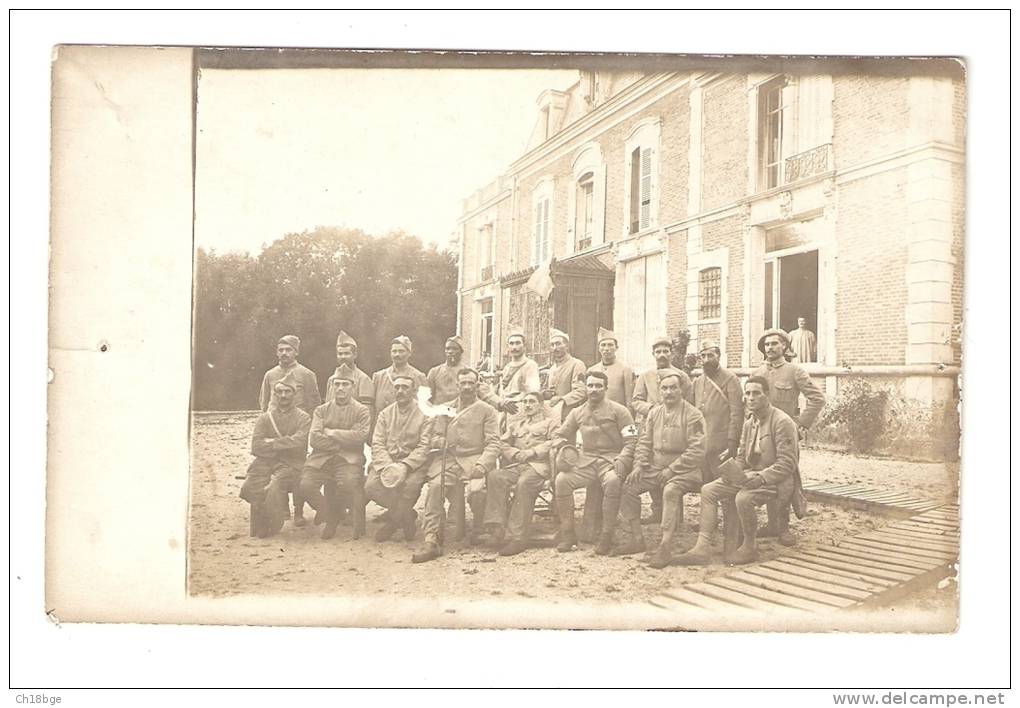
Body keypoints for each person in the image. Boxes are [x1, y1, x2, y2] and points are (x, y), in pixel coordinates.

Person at [675, 376, 799, 566]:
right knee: (708, 490)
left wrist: (760, 477)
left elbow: (787, 464)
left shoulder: (782, 422)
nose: (751, 398)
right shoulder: (750, 422)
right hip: (749, 476)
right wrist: (733, 471)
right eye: (747, 393)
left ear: (767, 395)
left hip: (777, 480)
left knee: (743, 498)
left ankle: (750, 546)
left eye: (756, 393)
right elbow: (742, 456)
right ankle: (701, 547)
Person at [412, 368, 501, 563]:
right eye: (464, 383)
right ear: (457, 386)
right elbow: (434, 436)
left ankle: (480, 530)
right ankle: (432, 539)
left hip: (475, 457)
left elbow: (494, 443)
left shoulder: (487, 410)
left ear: (477, 386)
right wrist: (440, 440)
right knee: (435, 488)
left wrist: (482, 465)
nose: (467, 387)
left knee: (478, 491)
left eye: (471, 383)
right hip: (450, 458)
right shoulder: (446, 408)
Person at [618, 372, 705, 565]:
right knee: (628, 487)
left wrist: (673, 469)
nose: (669, 392)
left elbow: (697, 450)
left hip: (685, 470)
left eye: (673, 387)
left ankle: (665, 546)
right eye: (664, 388)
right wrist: (639, 465)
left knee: (670, 490)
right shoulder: (654, 413)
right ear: (659, 391)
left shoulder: (693, 414)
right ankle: (637, 539)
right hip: (656, 467)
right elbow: (644, 442)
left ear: (681, 390)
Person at [753, 328, 825, 546]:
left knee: (786, 477)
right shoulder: (759, 372)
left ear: (784, 346)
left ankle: (783, 527)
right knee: (765, 473)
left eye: (775, 344)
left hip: (785, 433)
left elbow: (817, 398)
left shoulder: (795, 371)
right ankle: (771, 523)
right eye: (767, 345)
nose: (770, 348)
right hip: (761, 432)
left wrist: (801, 423)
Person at [552, 370, 636, 555]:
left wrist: (622, 460)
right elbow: (558, 434)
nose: (594, 389)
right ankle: (568, 533)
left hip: (611, 460)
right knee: (561, 480)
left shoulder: (620, 411)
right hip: (586, 461)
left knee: (613, 481)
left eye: (598, 386)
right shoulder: (577, 412)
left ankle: (606, 535)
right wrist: (563, 446)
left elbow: (631, 441)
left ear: (606, 388)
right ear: (585, 388)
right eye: (590, 385)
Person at [482, 390, 559, 555]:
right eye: (525, 402)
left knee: (524, 483)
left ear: (540, 405)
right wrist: (514, 453)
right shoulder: (516, 425)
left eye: (532, 402)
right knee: (495, 476)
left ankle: (518, 537)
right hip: (517, 465)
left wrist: (533, 452)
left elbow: (556, 441)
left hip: (539, 467)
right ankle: (497, 528)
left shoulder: (550, 423)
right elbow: (500, 443)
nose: (528, 405)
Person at [257, 334, 321, 527]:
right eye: (281, 350)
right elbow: (264, 402)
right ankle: (282, 507)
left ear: (296, 352)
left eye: (288, 350)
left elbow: (315, 403)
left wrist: (305, 428)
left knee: (296, 468)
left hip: (297, 429)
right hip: (274, 428)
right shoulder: (270, 374)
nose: (284, 353)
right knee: (276, 466)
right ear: (277, 352)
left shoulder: (306, 374)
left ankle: (299, 511)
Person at [299, 375, 372, 540]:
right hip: (321, 458)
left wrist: (331, 432)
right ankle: (329, 514)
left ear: (352, 387)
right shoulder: (321, 410)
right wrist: (343, 441)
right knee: (305, 485)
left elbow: (361, 436)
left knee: (348, 483)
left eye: (345, 384)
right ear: (331, 387)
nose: (340, 388)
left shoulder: (361, 410)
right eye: (336, 384)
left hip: (349, 459)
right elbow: (314, 438)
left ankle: (332, 518)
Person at [364, 374, 434, 542]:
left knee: (410, 486)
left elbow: (425, 446)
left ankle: (393, 523)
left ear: (414, 391)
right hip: (387, 462)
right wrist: (389, 467)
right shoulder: (385, 414)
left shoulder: (425, 414)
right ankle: (406, 515)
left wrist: (405, 466)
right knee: (371, 486)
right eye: (397, 387)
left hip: (414, 464)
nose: (400, 391)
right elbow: (378, 443)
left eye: (405, 387)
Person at [239, 375, 311, 538]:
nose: (283, 395)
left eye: (287, 392)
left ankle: (271, 525)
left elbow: (299, 443)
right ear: (274, 394)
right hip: (265, 462)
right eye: (279, 392)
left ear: (295, 394)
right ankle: (260, 523)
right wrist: (285, 443)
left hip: (291, 464)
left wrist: (271, 443)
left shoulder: (303, 417)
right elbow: (256, 446)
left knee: (274, 486)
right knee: (250, 486)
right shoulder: (265, 418)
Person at [630, 335, 685, 525]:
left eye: (666, 351)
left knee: (673, 468)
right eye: (658, 352)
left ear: (671, 353)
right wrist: (652, 409)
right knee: (653, 464)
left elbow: (689, 400)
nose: (662, 355)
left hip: (676, 428)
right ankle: (657, 510)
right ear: (653, 354)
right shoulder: (646, 376)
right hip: (652, 427)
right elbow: (635, 401)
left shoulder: (681, 375)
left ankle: (676, 515)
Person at [693, 341, 744, 484]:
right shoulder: (697, 382)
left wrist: (732, 442)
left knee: (726, 489)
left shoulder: (730, 379)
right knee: (706, 489)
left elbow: (737, 413)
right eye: (703, 356)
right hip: (702, 445)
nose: (706, 360)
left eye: (710, 355)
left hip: (722, 445)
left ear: (719, 356)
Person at [480, 328, 541, 417]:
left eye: (518, 343)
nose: (514, 347)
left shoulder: (530, 365)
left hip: (520, 408)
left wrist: (517, 399)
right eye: (511, 343)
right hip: (505, 408)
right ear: (508, 347)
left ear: (524, 346)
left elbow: (533, 390)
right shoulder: (507, 367)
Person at [372, 335, 428, 417]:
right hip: (382, 424)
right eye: (394, 351)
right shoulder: (379, 377)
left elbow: (424, 406)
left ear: (409, 353)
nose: (397, 355)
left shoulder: (419, 377)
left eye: (401, 351)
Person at [542, 329, 587, 422]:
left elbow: (581, 391)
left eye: (558, 344)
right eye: (552, 345)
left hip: (570, 415)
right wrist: (545, 393)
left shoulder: (577, 364)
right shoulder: (552, 368)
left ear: (566, 346)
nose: (555, 348)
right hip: (552, 414)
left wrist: (562, 399)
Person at [325, 330, 375, 411]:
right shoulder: (331, 379)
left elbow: (367, 411)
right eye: (340, 354)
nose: (343, 357)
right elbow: (327, 408)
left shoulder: (363, 379)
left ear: (355, 355)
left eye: (346, 353)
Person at [588, 328, 635, 407]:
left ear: (616, 348)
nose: (606, 349)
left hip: (617, 415)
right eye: (603, 345)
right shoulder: (592, 370)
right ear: (599, 348)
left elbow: (629, 398)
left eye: (610, 345)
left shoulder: (625, 369)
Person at [427, 335, 466, 405]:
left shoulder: (467, 372)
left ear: (461, 351)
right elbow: (427, 397)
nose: (450, 351)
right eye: (448, 349)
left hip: (460, 412)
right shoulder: (434, 372)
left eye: (454, 349)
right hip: (439, 412)